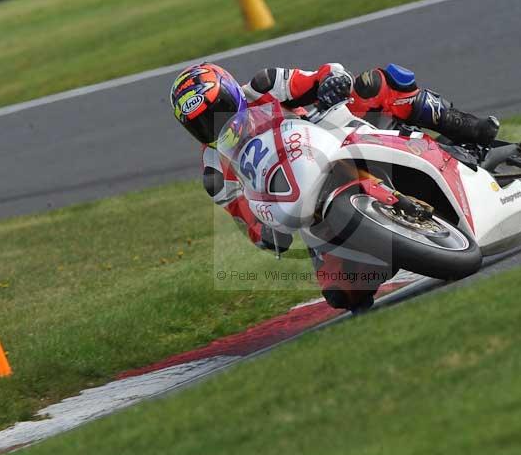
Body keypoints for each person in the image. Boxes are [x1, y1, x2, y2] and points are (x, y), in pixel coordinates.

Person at [169, 62, 498, 311]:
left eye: (219, 110)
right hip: (307, 199)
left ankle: (467, 129)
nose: (214, 124)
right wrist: (265, 233)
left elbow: (322, 75)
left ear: (233, 92)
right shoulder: (214, 172)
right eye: (200, 124)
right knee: (345, 294)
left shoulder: (265, 85)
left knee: (372, 84)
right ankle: (391, 234)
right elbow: (245, 218)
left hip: (335, 136)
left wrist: (331, 82)